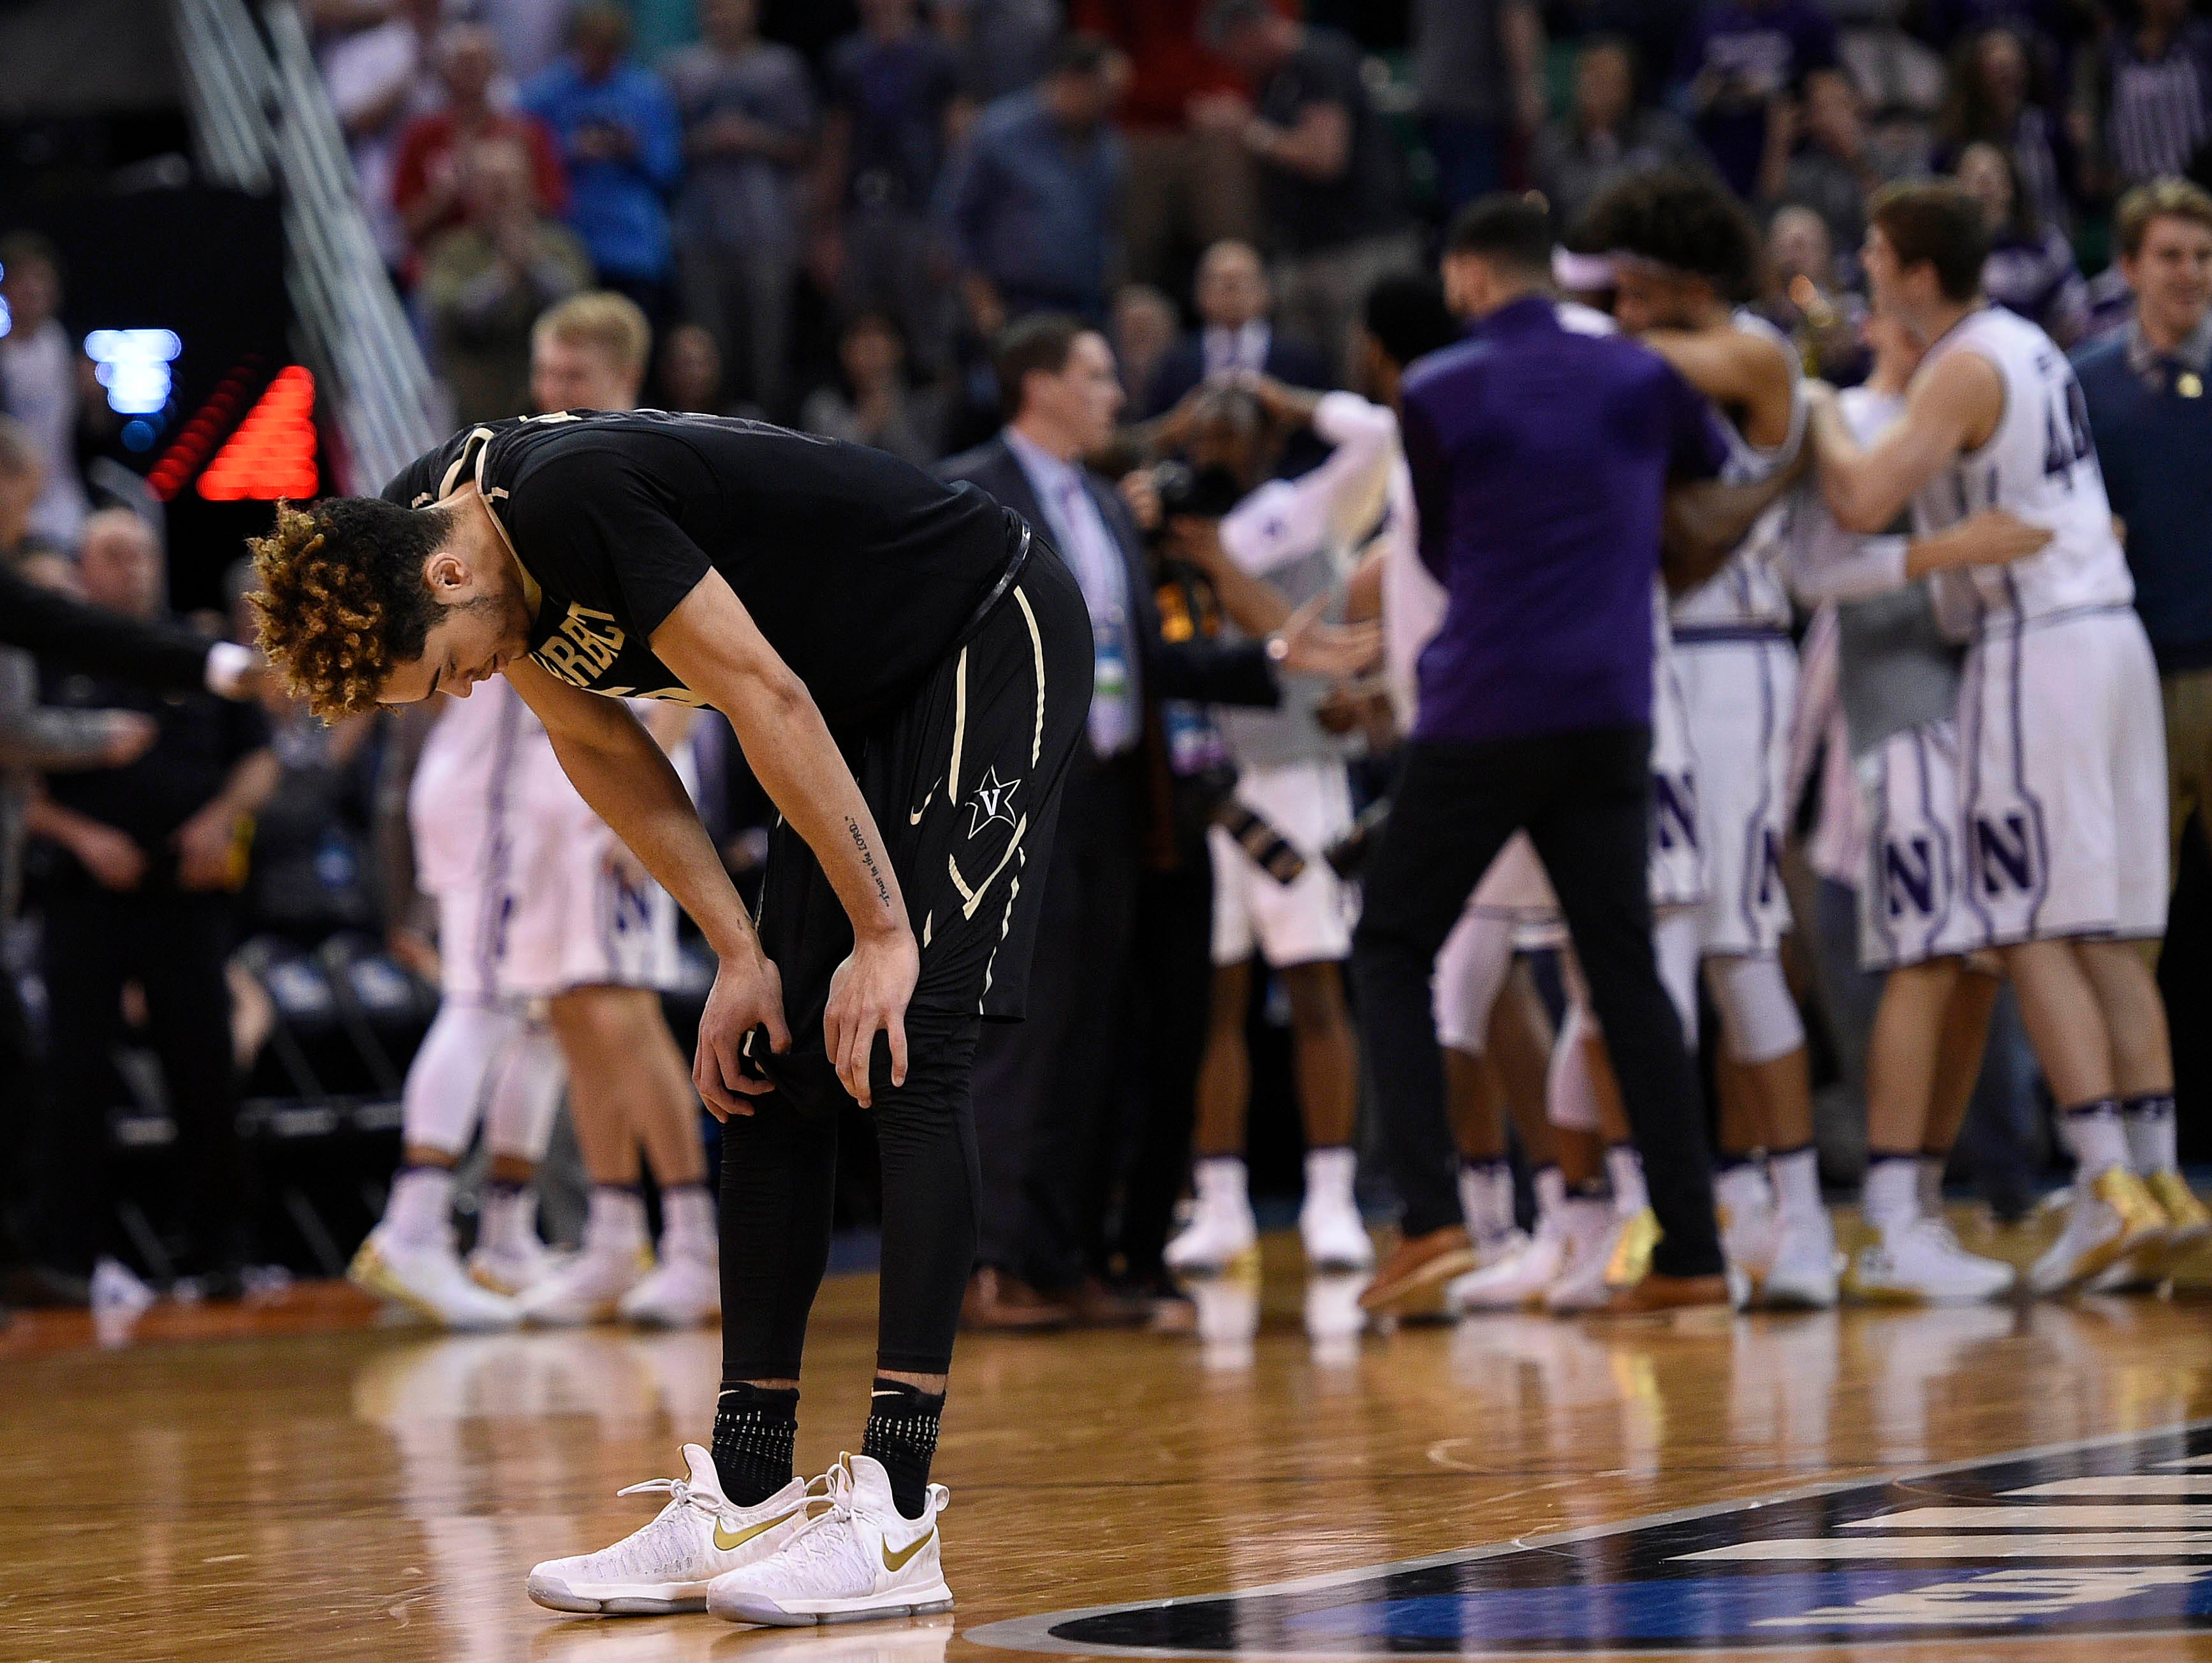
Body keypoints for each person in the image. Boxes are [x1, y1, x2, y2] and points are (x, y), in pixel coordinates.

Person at [248, 356, 1103, 1620]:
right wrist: (739, 955)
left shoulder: (568, 501)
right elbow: (600, 737)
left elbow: (761, 693)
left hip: (981, 629)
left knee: (906, 1032)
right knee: (763, 1061)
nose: (468, 689)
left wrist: (879, 927)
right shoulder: (436, 511)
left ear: (443, 578)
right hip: (845, 702)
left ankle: (901, 1511)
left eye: (442, 673)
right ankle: (750, 1487)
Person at [940, 313, 1374, 1328]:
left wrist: (1267, 663)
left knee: (1096, 1039)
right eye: (1096, 375)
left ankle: (1068, 1258)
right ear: (1038, 386)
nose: (1115, 396)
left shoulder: (1099, 503)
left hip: (1115, 795)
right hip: (1016, 800)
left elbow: (1136, 661)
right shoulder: (969, 489)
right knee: (1023, 1039)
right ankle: (997, 1262)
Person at [1347, 194, 1732, 1317]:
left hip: (1482, 705)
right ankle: (1693, 1251)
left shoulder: (1435, 389)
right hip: (1612, 703)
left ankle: (1426, 1221)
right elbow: (1701, 486)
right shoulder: (1640, 373)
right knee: (1621, 968)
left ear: (1467, 278)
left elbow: (1445, 543)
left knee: (1387, 941)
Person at [1806, 180, 2184, 1296]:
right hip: (2107, 634)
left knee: (2027, 928)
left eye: (1874, 256)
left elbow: (1864, 498)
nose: (1863, 273)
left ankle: (2107, 1184)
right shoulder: (2031, 345)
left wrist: (1809, 402)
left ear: (1916, 274)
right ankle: (2154, 1185)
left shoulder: (1956, 366)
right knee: (2102, 930)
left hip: (2037, 649)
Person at [352, 292, 722, 1331]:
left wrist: (649, 798)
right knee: (565, 1015)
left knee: (613, 1010)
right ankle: (608, 1233)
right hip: (520, 793)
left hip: (598, 786)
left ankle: (688, 1239)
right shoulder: (501, 473)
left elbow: (679, 649)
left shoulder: (628, 470)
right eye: (544, 373)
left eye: (572, 376)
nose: (550, 391)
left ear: (621, 379)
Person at [1583, 168, 1835, 1308]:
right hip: (1651, 669)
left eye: (1632, 287)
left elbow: (1628, 360)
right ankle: (1700, 1204)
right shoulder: (1644, 362)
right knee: (1651, 950)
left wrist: (1558, 329)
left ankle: (1803, 1221)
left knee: (1736, 946)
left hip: (1736, 665)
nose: (1620, 310)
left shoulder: (1749, 353)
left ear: (1681, 277)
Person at [1778, 308, 2042, 1301]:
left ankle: (1922, 1203)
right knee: (1924, 960)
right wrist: (1949, 551)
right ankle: (1889, 1216)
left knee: (1975, 968)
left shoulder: (1980, 398)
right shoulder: (1844, 414)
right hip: (1901, 720)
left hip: (1993, 703)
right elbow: (1812, 572)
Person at [1157, 377, 1396, 1279]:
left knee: (1313, 991)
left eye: (1232, 425)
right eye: (1202, 427)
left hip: (1299, 773)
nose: (1213, 440)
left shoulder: (1303, 509)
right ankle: (1218, 1206)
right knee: (1213, 997)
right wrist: (1167, 427)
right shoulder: (1171, 520)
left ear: (1265, 438)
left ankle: (1332, 1200)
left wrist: (1283, 398)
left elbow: (1375, 431)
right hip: (1209, 782)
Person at [24, 510, 277, 1303]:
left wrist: (221, 820)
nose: (131, 568)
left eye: (141, 554)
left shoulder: (193, 648)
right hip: (83, 894)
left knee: (203, 1072)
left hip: (186, 897)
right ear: (85, 568)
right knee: (75, 1080)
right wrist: (82, 835)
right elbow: (16, 773)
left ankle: (217, 1253)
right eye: (112, 555)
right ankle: (67, 1259)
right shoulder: (47, 652)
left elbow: (260, 759)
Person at [2075, 178, 2212, 1279]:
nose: (2187, 273)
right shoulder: (2081, 386)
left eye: (2200, 255)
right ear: (2126, 268)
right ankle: (2135, 1166)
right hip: (2134, 679)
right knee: (2132, 927)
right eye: (2168, 254)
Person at [1200, 0, 1417, 378]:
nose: (1234, 65)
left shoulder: (1319, 59)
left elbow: (1325, 158)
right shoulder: (1271, 81)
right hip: (1305, 250)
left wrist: (1247, 131)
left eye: (1232, 52)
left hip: (1359, 251)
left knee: (1365, 381)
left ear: (1247, 33)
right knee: (1305, 390)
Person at [664, 0, 816, 420]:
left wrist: (752, 138)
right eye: (712, 8)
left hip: (767, 231)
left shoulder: (781, 67)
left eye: (730, 7)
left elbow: (806, 146)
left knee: (769, 352)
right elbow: (662, 147)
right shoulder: (680, 69)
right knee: (707, 354)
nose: (721, 16)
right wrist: (708, 140)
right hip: (698, 231)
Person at [815, 0, 966, 376]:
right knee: (854, 329)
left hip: (919, 213)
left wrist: (949, 233)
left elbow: (959, 148)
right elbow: (835, 146)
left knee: (928, 338)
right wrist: (826, 232)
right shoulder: (846, 57)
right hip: (860, 213)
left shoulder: (938, 55)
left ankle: (927, 429)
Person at [1067, 0, 1259, 293]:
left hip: (1219, 121)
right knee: (1140, 247)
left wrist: (1243, 98)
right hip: (1139, 124)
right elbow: (1094, 40)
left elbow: (1263, 25)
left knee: (1231, 241)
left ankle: (1244, 333)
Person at [940, 34, 1127, 333]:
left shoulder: (1107, 144)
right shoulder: (998, 132)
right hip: (1014, 302)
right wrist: (981, 298)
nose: (1110, 103)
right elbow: (958, 217)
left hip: (1086, 304)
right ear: (1073, 81)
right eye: (1103, 92)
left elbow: (1109, 225)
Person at [522, 2, 684, 321]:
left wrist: (634, 151)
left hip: (633, 247)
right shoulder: (544, 94)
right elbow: (524, 164)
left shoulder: (647, 92)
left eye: (608, 48)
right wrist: (570, 150)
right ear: (577, 43)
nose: (599, 56)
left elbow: (669, 170)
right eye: (591, 46)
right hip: (568, 242)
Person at [420, 136, 594, 426]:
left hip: (555, 417)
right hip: (479, 417)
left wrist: (536, 266)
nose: (501, 193)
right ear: (473, 191)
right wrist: (503, 277)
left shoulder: (559, 245)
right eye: (490, 184)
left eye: (508, 182)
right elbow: (451, 315)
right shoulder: (451, 251)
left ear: (527, 184)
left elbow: (578, 311)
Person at [390, 24, 570, 277]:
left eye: (478, 61)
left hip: (511, 264)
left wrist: (505, 192)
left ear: (495, 68)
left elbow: (553, 208)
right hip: (437, 269)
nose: (470, 70)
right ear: (444, 70)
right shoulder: (421, 135)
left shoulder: (526, 134)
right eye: (462, 62)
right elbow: (405, 226)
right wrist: (448, 195)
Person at [1529, 36, 1703, 237]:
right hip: (1578, 251)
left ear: (1629, 83)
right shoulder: (1553, 145)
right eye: (1588, 74)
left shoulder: (1666, 136)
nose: (1595, 84)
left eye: (1607, 76)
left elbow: (1701, 198)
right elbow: (1540, 215)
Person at [1140, 240, 1332, 418]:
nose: (1230, 290)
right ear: (1199, 293)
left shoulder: (1300, 358)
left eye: (1241, 280)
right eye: (1219, 280)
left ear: (1265, 290)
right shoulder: (1175, 363)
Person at [1676, 0, 1839, 201]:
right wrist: (1705, 90)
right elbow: (1683, 88)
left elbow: (1829, 86)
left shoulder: (1808, 20)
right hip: (1721, 152)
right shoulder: (1710, 21)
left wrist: (1772, 91)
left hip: (1791, 154)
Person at [1410, 0, 1545, 216]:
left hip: (1436, 94)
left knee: (1463, 216)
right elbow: (1515, 16)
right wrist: (1526, 88)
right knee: (1481, 219)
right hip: (1476, 105)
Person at [0, 233, 90, 548]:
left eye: (42, 279)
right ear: (6, 288)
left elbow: (97, 432)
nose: (34, 289)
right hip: (14, 500)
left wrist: (94, 399)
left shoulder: (73, 350)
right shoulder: (3, 357)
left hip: (69, 502)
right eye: (24, 280)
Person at [1956, 140, 2088, 348]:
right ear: (1957, 189)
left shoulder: (2044, 244)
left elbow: (2074, 316)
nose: (1984, 183)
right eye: (1974, 176)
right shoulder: (1947, 251)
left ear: (2010, 185)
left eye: (1993, 174)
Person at [800, 311, 946, 469]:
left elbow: (929, 468)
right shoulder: (823, 405)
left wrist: (890, 415)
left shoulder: (927, 401)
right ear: (844, 350)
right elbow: (826, 465)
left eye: (879, 335)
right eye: (860, 337)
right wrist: (867, 423)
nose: (871, 348)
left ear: (899, 347)